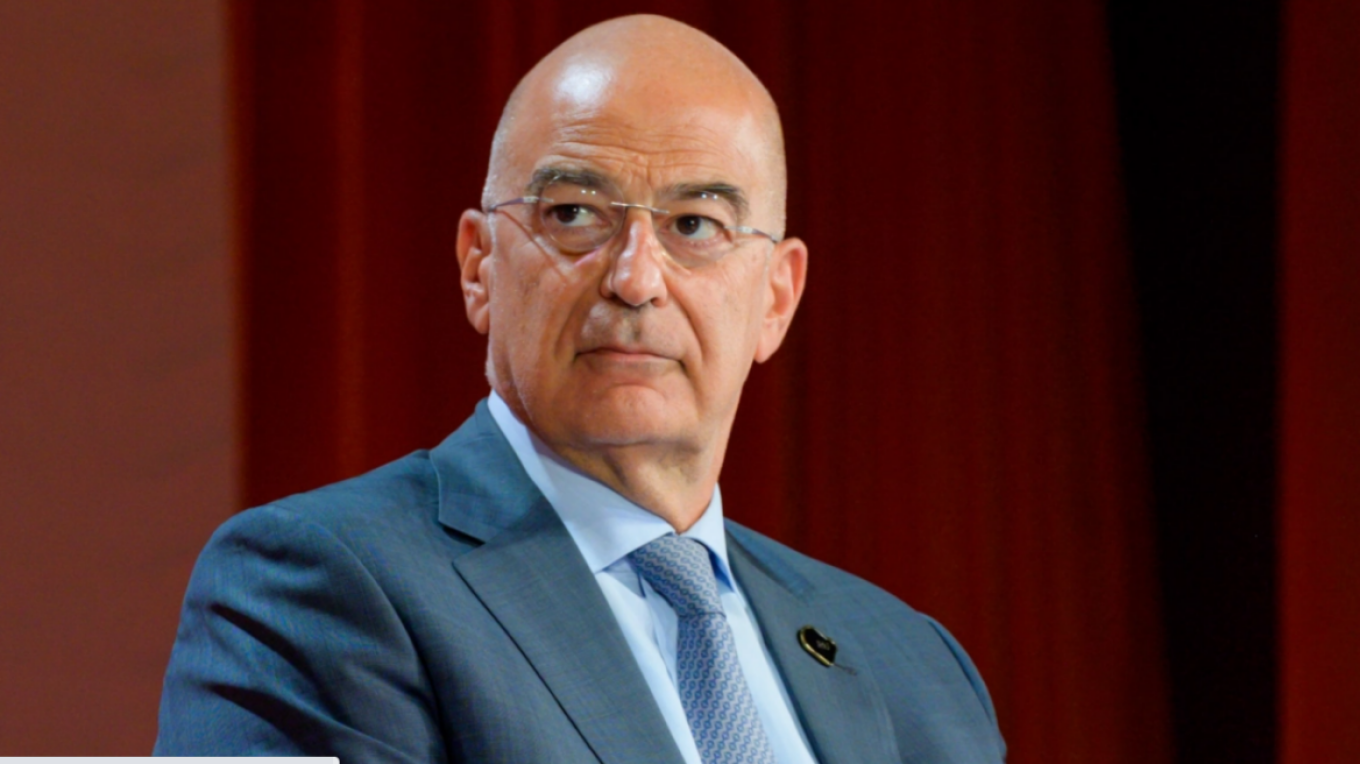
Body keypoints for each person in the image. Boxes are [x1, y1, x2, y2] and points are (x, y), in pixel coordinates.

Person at [155, 14, 1006, 764]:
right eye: (572, 214)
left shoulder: (915, 666)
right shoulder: (314, 588)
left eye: (696, 225)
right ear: (479, 267)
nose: (635, 279)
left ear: (776, 299)